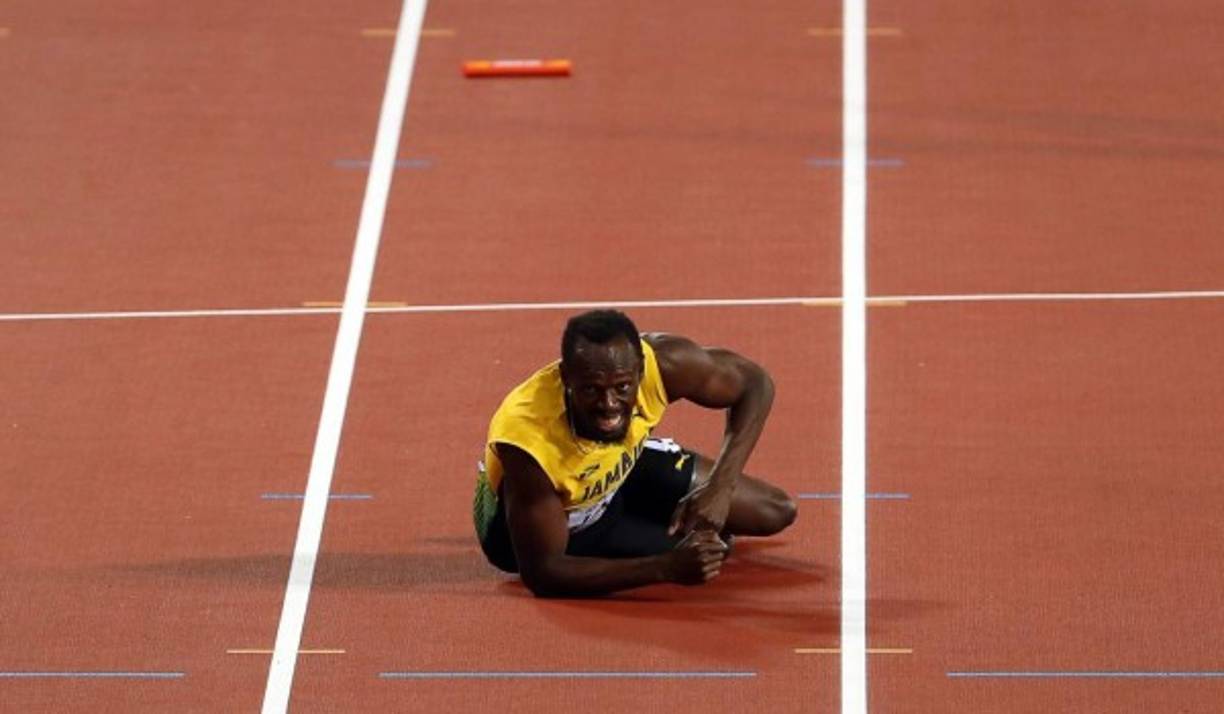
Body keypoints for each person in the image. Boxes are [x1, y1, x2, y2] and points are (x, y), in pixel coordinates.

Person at [473, 309, 797, 597]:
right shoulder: (530, 443)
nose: (609, 405)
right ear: (566, 380)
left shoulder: (665, 364)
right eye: (591, 390)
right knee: (713, 548)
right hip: (565, 524)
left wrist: (720, 487)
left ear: (641, 371)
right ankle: (644, 526)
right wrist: (665, 568)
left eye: (622, 388)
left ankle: (653, 510)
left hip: (618, 464)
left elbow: (755, 384)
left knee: (775, 510)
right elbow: (544, 572)